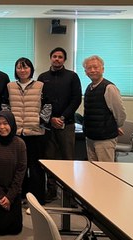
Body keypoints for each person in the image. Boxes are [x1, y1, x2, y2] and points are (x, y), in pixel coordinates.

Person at [37, 47, 82, 202]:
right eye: (54, 56)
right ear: (50, 58)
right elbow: (39, 102)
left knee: (67, 160)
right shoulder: (43, 77)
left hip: (66, 124)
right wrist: (50, 120)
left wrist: (62, 117)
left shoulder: (72, 77)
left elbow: (76, 99)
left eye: (60, 57)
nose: (57, 59)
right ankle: (51, 191)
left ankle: (69, 194)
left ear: (64, 59)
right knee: (49, 160)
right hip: (48, 126)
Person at [7, 57, 49, 204]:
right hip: (17, 134)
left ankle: (37, 200)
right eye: (19, 67)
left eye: (25, 67)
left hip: (36, 133)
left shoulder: (40, 85)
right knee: (19, 168)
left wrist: (40, 121)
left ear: (31, 69)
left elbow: (47, 106)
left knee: (36, 168)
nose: (22, 70)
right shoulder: (10, 86)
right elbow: (5, 107)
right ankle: (21, 196)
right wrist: (10, 125)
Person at [82, 55, 126, 162]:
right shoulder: (89, 87)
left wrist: (115, 125)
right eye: (89, 68)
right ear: (85, 71)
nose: (92, 70)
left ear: (103, 69)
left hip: (105, 139)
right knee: (93, 170)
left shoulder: (109, 88)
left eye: (95, 67)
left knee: (105, 171)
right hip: (90, 137)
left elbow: (120, 113)